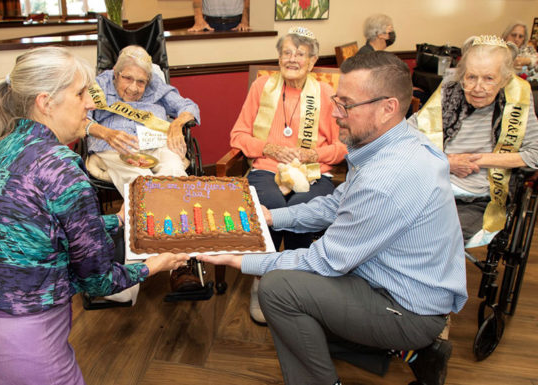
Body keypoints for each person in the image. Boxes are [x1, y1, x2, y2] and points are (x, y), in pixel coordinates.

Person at [199, 51, 468, 385]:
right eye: (337, 100)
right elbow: (336, 203)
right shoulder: (393, 141)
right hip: (392, 283)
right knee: (298, 312)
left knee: (278, 290)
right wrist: (270, 217)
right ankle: (414, 355)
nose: (336, 114)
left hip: (408, 309)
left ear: (388, 109)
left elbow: (326, 260)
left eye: (347, 105)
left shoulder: (387, 177)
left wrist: (243, 259)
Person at [0, 46, 190, 385]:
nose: (91, 103)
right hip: (20, 340)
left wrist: (116, 220)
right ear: (46, 102)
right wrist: (155, 265)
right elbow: (98, 280)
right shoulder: (59, 167)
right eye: (80, 93)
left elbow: (34, 230)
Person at [229, 26, 347, 324]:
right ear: (279, 57)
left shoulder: (326, 93)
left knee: (303, 211)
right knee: (269, 207)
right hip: (267, 168)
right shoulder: (262, 88)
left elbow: (343, 146)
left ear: (312, 61)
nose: (292, 59)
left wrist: (313, 155)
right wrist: (268, 147)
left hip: (312, 172)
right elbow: (238, 135)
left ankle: (295, 285)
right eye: (287, 52)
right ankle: (261, 280)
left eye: (300, 54)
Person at [409, 35, 538, 246]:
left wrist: (480, 160)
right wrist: (447, 161)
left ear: (505, 79)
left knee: (430, 236)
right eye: (471, 77)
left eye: (489, 78)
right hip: (431, 186)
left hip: (479, 199)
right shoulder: (450, 90)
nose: (478, 88)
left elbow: (535, 154)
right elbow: (408, 133)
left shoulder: (519, 98)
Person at [85, 45, 201, 193]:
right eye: (127, 78)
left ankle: (169, 213)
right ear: (115, 73)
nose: (133, 88)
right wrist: (106, 133)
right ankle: (153, 214)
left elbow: (189, 106)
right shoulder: (99, 86)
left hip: (156, 144)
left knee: (174, 169)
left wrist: (177, 124)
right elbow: (81, 119)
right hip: (115, 146)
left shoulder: (156, 85)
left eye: (141, 82)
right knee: (141, 179)